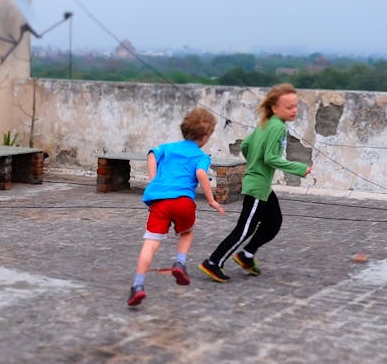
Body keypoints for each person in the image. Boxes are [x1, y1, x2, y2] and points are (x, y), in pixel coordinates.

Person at [199, 83, 312, 282]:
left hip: (261, 184)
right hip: (258, 186)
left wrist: (253, 163)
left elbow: (246, 145)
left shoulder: (266, 122)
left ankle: (247, 255)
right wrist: (300, 169)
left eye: (296, 106)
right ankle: (214, 262)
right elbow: (270, 158)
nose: (294, 110)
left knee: (274, 222)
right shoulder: (277, 126)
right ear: (274, 108)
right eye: (289, 107)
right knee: (245, 229)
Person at [128, 107, 225, 307]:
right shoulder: (201, 156)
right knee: (186, 233)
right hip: (183, 202)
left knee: (151, 243)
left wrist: (154, 181)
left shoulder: (168, 147)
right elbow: (200, 175)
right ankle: (179, 262)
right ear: (206, 136)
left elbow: (152, 155)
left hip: (160, 202)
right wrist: (212, 200)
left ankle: (138, 285)